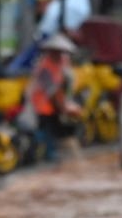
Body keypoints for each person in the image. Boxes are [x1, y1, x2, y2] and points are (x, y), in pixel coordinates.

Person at [28, 32, 82, 162]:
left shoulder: (61, 64)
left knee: (51, 129)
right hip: (43, 104)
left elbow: (65, 84)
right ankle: (42, 152)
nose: (60, 55)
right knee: (46, 131)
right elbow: (51, 91)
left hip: (54, 103)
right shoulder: (44, 67)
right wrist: (63, 107)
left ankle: (48, 152)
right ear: (51, 52)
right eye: (57, 52)